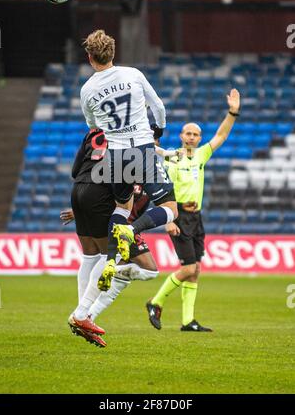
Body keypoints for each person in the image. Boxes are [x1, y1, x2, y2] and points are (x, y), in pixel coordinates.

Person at [80, 29, 178, 291]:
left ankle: (112, 260)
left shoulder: (88, 89)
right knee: (170, 208)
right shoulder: (133, 74)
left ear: (90, 57)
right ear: (112, 52)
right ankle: (132, 232)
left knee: (122, 208)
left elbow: (93, 128)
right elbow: (158, 107)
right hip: (142, 149)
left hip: (115, 156)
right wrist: (158, 131)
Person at [62, 129, 177, 347]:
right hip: (115, 214)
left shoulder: (97, 133)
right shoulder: (139, 155)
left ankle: (84, 313)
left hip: (80, 191)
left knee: (91, 256)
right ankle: (82, 314)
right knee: (120, 262)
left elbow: (76, 169)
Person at [146, 88, 241, 332]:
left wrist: (233, 112)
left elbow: (221, 135)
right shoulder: (171, 157)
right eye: (187, 133)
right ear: (180, 136)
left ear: (199, 139)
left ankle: (188, 321)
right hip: (179, 216)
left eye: (195, 134)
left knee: (196, 269)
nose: (191, 137)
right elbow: (160, 184)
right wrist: (168, 218)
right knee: (187, 268)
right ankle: (155, 302)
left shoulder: (201, 155)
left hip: (196, 217)